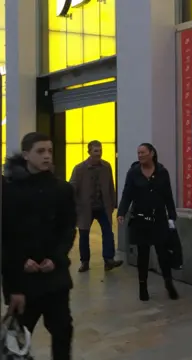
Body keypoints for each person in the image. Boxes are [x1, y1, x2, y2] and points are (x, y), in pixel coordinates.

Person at [2, 132, 76, 360]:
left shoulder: (62, 189)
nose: (46, 156)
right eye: (40, 151)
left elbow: (67, 230)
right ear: (26, 155)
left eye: (50, 151)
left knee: (63, 330)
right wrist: (15, 278)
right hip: (24, 281)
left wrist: (55, 258)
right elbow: (5, 237)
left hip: (55, 278)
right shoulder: (9, 190)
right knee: (18, 338)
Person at [117, 143, 179, 301]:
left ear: (152, 153)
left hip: (158, 220)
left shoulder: (162, 172)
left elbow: (168, 196)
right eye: (138, 153)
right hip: (140, 220)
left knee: (163, 254)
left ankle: (168, 283)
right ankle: (142, 287)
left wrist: (172, 216)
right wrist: (121, 212)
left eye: (143, 152)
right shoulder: (133, 173)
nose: (140, 155)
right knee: (142, 256)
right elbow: (127, 194)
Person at [70, 140, 123, 272]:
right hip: (85, 208)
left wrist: (112, 203)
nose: (98, 154)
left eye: (100, 151)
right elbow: (72, 187)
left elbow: (111, 186)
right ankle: (85, 262)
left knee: (107, 232)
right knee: (84, 234)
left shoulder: (106, 166)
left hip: (103, 207)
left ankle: (109, 260)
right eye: (95, 151)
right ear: (89, 152)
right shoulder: (79, 169)